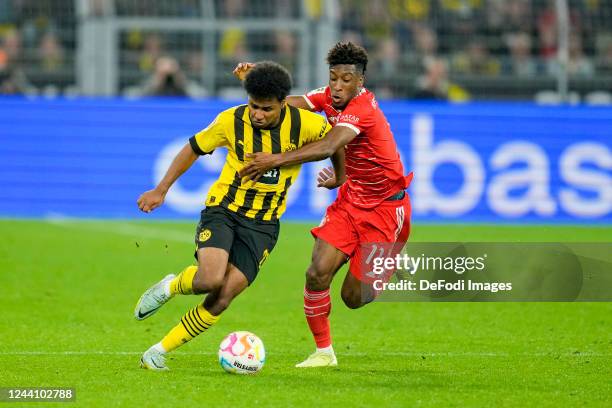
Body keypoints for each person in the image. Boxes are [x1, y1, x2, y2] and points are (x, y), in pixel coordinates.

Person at [134, 61, 337, 371]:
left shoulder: (305, 124)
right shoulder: (231, 120)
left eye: (266, 109)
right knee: (210, 279)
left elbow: (335, 142)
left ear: (284, 102)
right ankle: (171, 287)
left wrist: (341, 176)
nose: (257, 113)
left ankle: (158, 351)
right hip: (224, 210)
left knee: (223, 296)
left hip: (264, 225)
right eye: (253, 105)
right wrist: (161, 190)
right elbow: (192, 148)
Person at [233, 41, 412, 368]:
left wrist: (275, 158)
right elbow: (290, 104)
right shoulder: (329, 96)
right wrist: (258, 80)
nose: (338, 86)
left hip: (386, 209)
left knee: (352, 298)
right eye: (333, 78)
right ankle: (323, 352)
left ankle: (385, 262)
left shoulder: (363, 108)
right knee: (316, 273)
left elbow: (329, 144)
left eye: (346, 80)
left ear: (360, 81)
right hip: (351, 202)